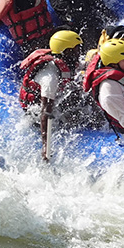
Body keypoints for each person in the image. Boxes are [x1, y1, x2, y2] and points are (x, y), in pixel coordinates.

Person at [18, 29, 94, 161]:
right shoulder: (50, 76)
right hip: (36, 113)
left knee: (81, 90)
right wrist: (46, 148)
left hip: (54, 101)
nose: (79, 52)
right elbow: (45, 112)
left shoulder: (66, 60)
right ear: (67, 51)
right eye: (76, 49)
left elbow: (83, 66)